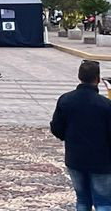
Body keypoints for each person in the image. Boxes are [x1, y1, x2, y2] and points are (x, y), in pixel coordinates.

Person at [51, 60, 111, 211]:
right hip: (101, 160)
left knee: (82, 200)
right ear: (97, 79)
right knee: (103, 202)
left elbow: (56, 127)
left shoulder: (66, 100)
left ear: (79, 76)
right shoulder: (105, 105)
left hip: (75, 157)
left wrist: (70, 137)